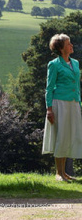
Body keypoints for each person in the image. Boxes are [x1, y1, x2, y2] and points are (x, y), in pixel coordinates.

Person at [42, 33, 82, 181]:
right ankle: (59, 173)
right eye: (68, 44)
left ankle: (64, 172)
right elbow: (49, 87)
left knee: (70, 136)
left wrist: (79, 103)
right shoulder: (54, 64)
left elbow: (77, 85)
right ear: (61, 48)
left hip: (74, 103)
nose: (71, 46)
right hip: (60, 103)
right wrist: (49, 109)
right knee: (61, 135)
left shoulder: (75, 63)